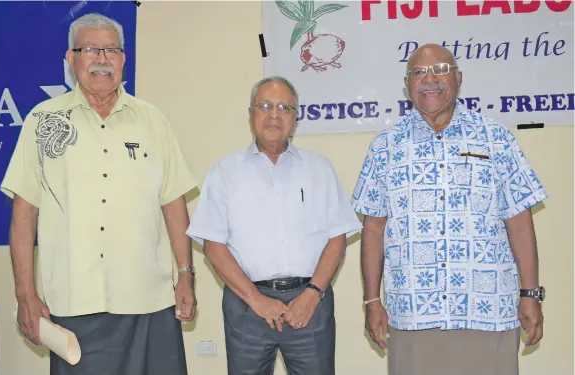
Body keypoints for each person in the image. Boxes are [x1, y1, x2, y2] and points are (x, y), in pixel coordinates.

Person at [1, 13, 198, 375]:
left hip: (149, 302)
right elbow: (24, 217)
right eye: (90, 49)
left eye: (112, 50)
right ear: (70, 59)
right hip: (77, 306)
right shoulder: (42, 123)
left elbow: (173, 203)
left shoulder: (153, 121)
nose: (102, 58)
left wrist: (186, 274)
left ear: (124, 59)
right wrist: (25, 294)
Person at [351, 43, 547, 375]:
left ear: (458, 78)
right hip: (414, 312)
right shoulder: (385, 146)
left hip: (487, 310)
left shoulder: (496, 138)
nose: (430, 79)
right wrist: (372, 301)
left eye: (441, 70)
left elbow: (520, 221)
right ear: (407, 83)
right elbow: (373, 229)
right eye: (419, 72)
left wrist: (530, 294)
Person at [186, 76, 362, 375]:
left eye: (284, 107)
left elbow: (337, 238)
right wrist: (256, 300)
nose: (274, 115)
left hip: (310, 304)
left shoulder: (319, 168)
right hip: (246, 306)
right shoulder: (225, 171)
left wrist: (312, 293)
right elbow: (213, 246)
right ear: (251, 113)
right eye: (265, 105)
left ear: (296, 117)